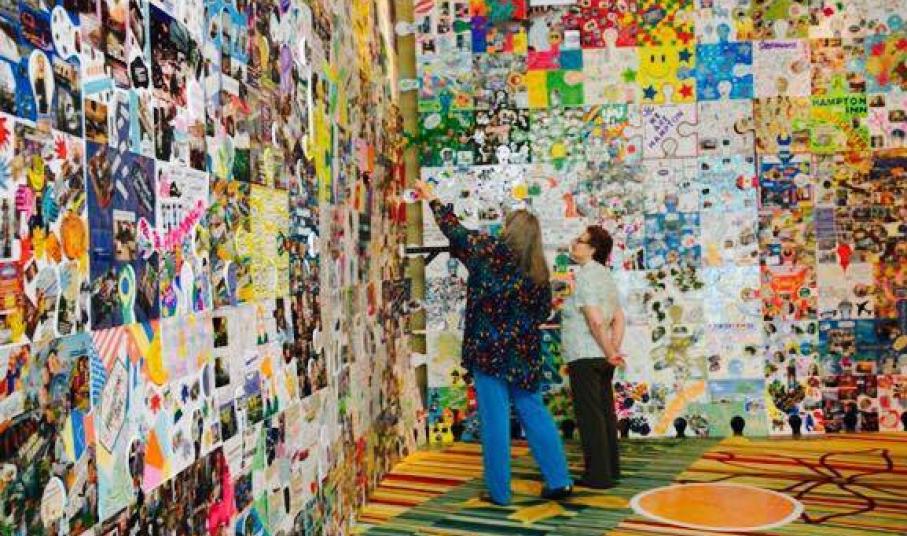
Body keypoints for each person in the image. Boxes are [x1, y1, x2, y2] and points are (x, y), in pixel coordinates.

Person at [414, 180, 572, 505]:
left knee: (494, 420)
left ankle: (500, 492)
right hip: (524, 353)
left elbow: (454, 230)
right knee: (534, 412)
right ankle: (560, 480)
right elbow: (542, 312)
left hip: (487, 351)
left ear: (509, 230)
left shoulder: (486, 251)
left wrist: (432, 198)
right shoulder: (538, 271)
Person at [561, 226, 626, 489]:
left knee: (590, 417)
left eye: (580, 240)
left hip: (584, 355)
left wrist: (611, 352)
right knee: (605, 414)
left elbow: (595, 320)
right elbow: (619, 318)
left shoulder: (587, 276)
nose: (574, 243)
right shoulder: (605, 275)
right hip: (601, 356)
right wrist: (613, 351)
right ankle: (610, 469)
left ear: (593, 249)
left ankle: (598, 475)